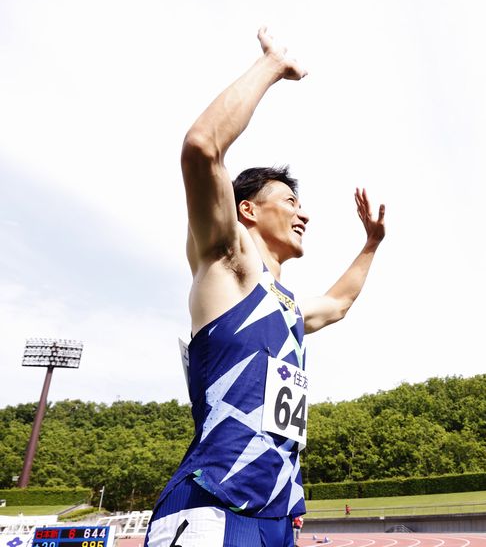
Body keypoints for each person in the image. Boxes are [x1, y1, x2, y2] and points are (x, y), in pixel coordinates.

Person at [144, 28, 386, 547]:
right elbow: (201, 147)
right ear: (247, 210)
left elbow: (340, 304)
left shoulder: (289, 308)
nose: (304, 213)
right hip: (213, 505)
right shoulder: (227, 265)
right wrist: (272, 66)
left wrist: (371, 243)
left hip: (278, 516)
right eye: (290, 201)